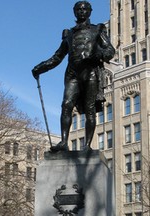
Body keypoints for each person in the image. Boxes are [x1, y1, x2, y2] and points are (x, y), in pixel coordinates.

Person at [32, 1, 115, 152]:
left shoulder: (97, 30)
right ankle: (64, 142)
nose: (81, 12)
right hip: (73, 73)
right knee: (66, 105)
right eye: (78, 9)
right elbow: (57, 57)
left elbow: (110, 50)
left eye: (84, 9)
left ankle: (87, 145)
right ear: (74, 12)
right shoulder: (69, 34)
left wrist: (99, 55)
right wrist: (40, 68)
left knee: (90, 108)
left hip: (90, 72)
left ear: (89, 12)